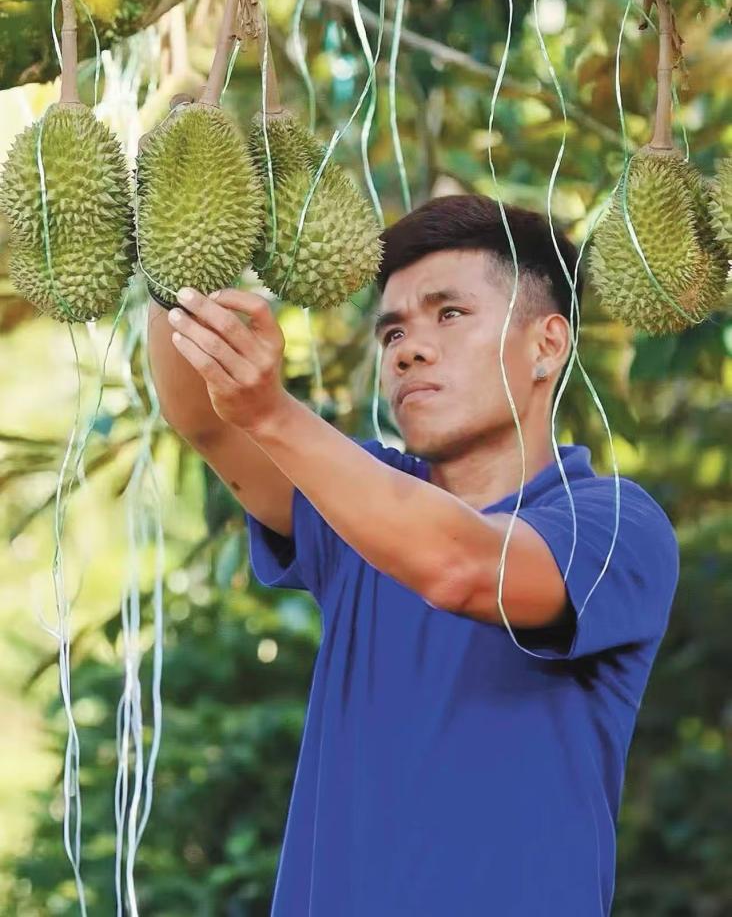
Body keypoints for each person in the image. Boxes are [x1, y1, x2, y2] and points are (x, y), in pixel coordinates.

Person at [148, 193, 679, 916]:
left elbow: (460, 568)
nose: (409, 347)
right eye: (392, 330)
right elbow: (201, 418)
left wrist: (273, 411)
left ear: (547, 345)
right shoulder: (360, 505)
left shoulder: (614, 524)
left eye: (449, 314)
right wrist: (173, 208)